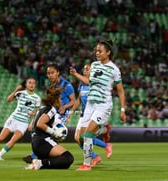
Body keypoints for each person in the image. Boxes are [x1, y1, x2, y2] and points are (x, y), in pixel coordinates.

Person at [70, 39, 126, 171]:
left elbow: (121, 91)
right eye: (96, 51)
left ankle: (87, 164)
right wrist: (76, 74)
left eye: (100, 51)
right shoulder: (94, 65)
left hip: (103, 105)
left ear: (108, 52)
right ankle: (103, 130)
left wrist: (123, 110)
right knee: (82, 137)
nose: (97, 53)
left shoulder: (114, 70)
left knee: (88, 135)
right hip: (90, 104)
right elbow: (89, 82)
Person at [22, 63, 75, 163]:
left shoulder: (66, 85)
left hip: (61, 114)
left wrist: (65, 107)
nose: (50, 75)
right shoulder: (51, 86)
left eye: (52, 73)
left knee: (53, 135)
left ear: (58, 73)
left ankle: (36, 156)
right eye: (48, 73)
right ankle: (39, 156)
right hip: (53, 112)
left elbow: (73, 101)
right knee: (43, 132)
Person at [0, 77, 41, 160]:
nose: (32, 84)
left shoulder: (37, 98)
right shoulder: (20, 93)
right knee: (1, 138)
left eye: (33, 83)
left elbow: (37, 112)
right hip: (14, 118)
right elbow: (9, 100)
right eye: (30, 82)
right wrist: (15, 90)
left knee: (13, 140)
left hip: (24, 122)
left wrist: (32, 121)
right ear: (26, 84)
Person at [67, 63, 112, 167]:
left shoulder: (95, 82)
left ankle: (105, 142)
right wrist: (71, 111)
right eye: (84, 69)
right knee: (78, 139)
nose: (85, 70)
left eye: (88, 69)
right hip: (84, 113)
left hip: (93, 113)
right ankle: (95, 156)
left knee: (84, 136)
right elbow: (79, 99)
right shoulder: (81, 84)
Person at [24, 87, 74, 170]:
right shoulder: (52, 109)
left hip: (36, 142)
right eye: (60, 99)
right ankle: (40, 162)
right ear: (56, 100)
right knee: (68, 158)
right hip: (42, 141)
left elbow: (32, 127)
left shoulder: (42, 109)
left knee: (64, 164)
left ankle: (40, 163)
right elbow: (40, 124)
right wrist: (54, 133)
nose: (61, 101)